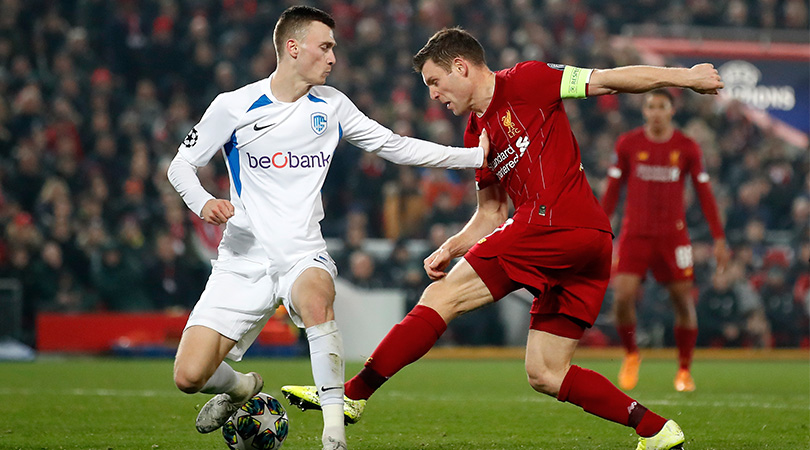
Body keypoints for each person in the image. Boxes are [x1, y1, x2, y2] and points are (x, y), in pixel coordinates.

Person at [282, 27, 724, 450]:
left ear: (462, 67)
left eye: (435, 82)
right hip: (585, 242)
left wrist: (685, 78)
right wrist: (452, 246)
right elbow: (492, 213)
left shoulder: (529, 79)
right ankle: (657, 429)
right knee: (546, 372)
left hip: (556, 223)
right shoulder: (476, 133)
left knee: (442, 296)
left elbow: (608, 80)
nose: (433, 95)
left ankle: (352, 395)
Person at [167, 9, 486, 450]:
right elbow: (181, 165)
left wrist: (473, 157)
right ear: (293, 48)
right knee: (188, 376)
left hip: (302, 251)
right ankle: (242, 388)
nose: (334, 57)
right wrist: (204, 202)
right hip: (243, 257)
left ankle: (333, 434)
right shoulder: (234, 106)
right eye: (326, 46)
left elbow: (392, 146)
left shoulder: (331, 105)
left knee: (318, 300)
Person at [600, 89, 729, 392]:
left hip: (674, 237)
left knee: (682, 301)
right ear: (644, 111)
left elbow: (705, 194)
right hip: (636, 234)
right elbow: (612, 191)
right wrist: (600, 227)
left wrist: (719, 237)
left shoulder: (686, 147)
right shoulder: (628, 144)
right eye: (651, 106)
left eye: (662, 106)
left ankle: (684, 370)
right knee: (621, 299)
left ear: (672, 111)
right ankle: (632, 355)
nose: (656, 112)